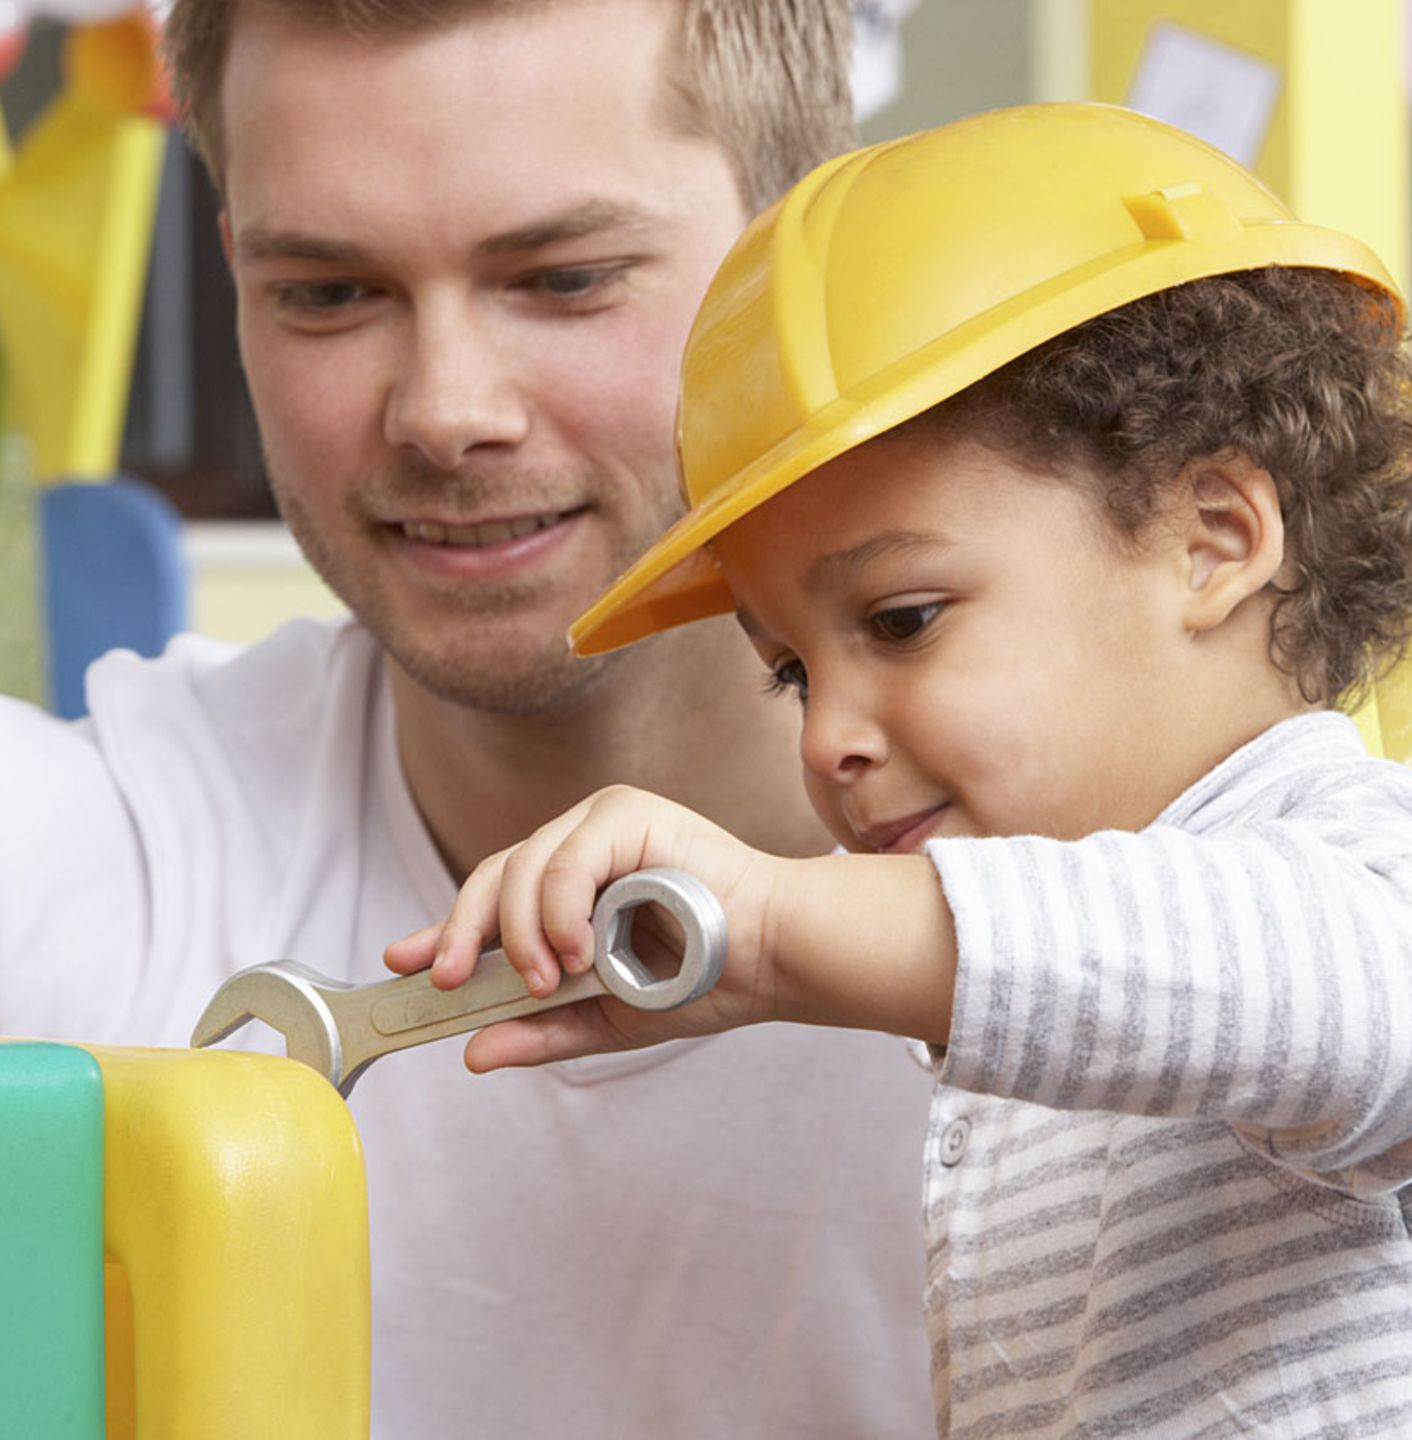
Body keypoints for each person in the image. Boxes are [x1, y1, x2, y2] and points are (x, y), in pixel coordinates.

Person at [393, 105, 1412, 1436]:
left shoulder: (1371, 869)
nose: (829, 736)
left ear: (1213, 538)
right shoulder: (1035, 1036)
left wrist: (773, 929)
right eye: (793, 671)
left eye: (902, 621)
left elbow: (1342, 986)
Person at [0, 1, 939, 1435]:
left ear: (806, 257)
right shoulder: (100, 841)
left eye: (562, 279)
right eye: (326, 293)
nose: (445, 412)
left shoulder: (1202, 907)